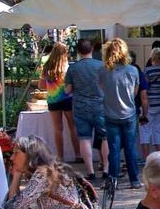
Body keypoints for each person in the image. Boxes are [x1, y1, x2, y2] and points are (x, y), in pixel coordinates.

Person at [99, 38, 146, 189]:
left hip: (110, 113)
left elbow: (102, 89)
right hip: (129, 113)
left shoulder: (103, 71)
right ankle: (134, 180)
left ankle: (112, 181)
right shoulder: (133, 70)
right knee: (130, 148)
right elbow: (135, 92)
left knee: (114, 150)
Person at [65, 38, 109, 182]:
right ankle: (106, 169)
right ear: (92, 50)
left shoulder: (73, 68)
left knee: (85, 139)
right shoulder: (101, 66)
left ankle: (90, 172)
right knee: (104, 137)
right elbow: (106, 85)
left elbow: (68, 90)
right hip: (100, 105)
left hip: (80, 106)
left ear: (78, 51)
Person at [39, 43, 80, 160]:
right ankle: (78, 154)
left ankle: (60, 157)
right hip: (68, 99)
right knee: (73, 127)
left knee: (57, 129)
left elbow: (41, 85)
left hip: (53, 101)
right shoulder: (68, 67)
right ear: (64, 53)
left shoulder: (46, 66)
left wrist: (52, 87)